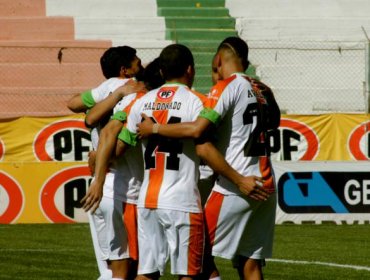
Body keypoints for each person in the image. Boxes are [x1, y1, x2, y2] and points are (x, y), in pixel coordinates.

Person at [82, 44, 265, 280]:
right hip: (182, 201)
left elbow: (117, 144)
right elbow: (206, 145)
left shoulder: (141, 102)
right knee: (190, 273)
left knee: (146, 274)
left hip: (147, 201)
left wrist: (99, 159)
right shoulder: (198, 102)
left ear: (161, 72)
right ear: (190, 70)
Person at [136, 37, 280, 280]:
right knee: (251, 262)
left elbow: (198, 133)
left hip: (237, 185)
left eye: (214, 69)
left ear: (219, 60)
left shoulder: (225, 87)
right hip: (266, 184)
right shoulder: (264, 89)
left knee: (197, 254)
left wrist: (155, 130)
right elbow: (273, 123)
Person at [67, 45, 144, 280]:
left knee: (110, 271)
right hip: (125, 189)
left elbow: (74, 104)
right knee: (131, 269)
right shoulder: (135, 90)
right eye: (137, 63)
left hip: (99, 187)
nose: (140, 66)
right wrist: (120, 94)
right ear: (125, 70)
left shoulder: (104, 89)